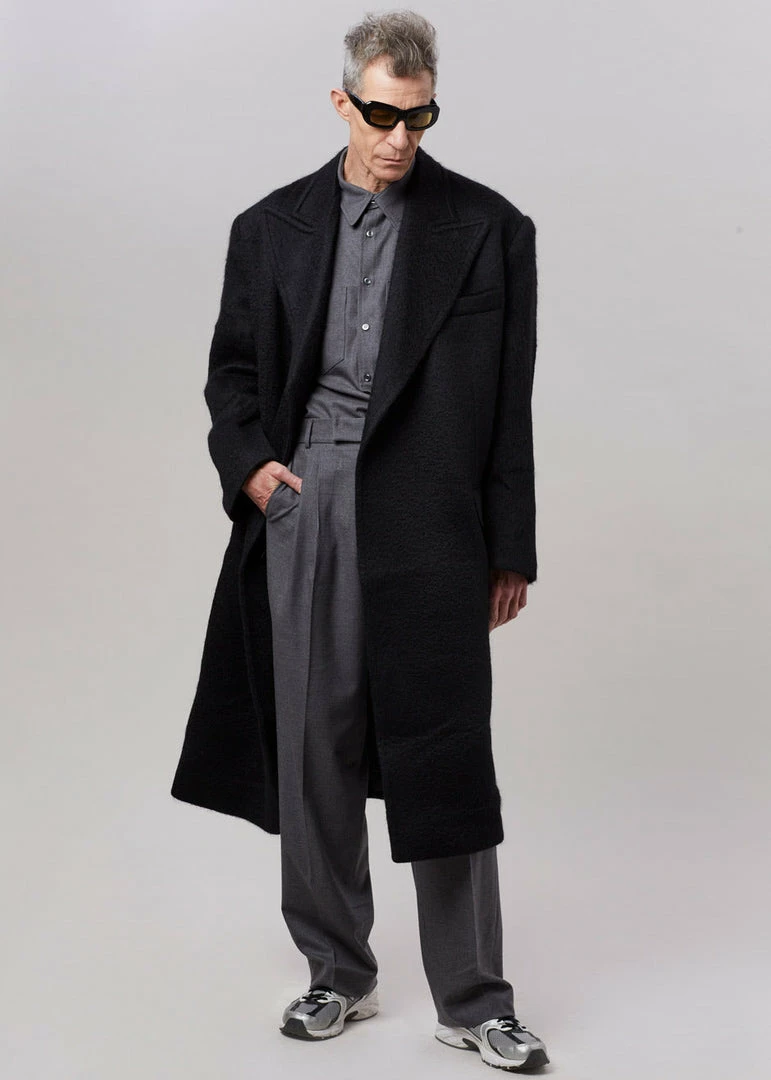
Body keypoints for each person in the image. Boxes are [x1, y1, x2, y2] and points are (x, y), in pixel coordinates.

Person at [171, 9, 549, 1072]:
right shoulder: (270, 226)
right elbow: (233, 370)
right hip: (308, 498)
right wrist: (254, 468)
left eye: (418, 118)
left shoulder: (489, 227)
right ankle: (337, 971)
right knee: (312, 746)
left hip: (432, 512)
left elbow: (509, 404)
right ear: (342, 101)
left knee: (445, 748)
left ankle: (473, 999)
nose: (398, 137)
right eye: (381, 115)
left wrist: (509, 544)